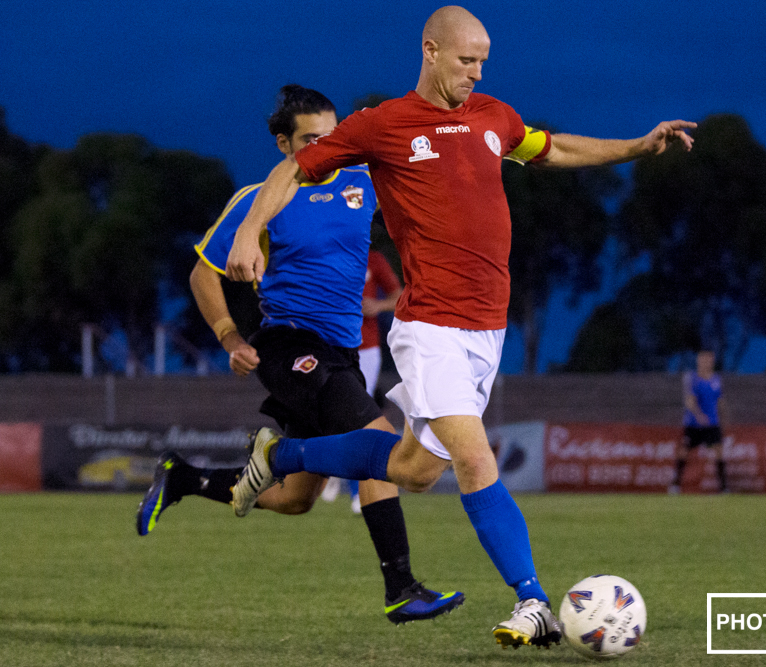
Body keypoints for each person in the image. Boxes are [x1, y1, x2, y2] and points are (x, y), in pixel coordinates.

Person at [225, 5, 695, 649]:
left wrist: (638, 146)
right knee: (477, 461)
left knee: (416, 469)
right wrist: (251, 229)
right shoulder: (382, 125)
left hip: (486, 332)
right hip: (431, 327)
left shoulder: (494, 117)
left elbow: (552, 148)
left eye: (483, 61)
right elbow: (290, 170)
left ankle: (283, 454)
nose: (477, 72)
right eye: (466, 60)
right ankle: (532, 601)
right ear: (431, 51)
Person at [134, 84, 463, 625]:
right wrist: (229, 337)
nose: (324, 146)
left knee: (294, 500)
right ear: (285, 144)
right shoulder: (258, 202)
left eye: (331, 136)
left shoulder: (363, 181)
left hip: (342, 353)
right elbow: (201, 274)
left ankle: (183, 477)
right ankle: (401, 588)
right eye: (310, 139)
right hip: (290, 348)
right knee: (376, 448)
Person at [322, 249, 402, 511]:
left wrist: (378, 305)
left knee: (357, 415)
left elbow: (399, 295)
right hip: (330, 345)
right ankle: (335, 470)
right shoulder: (326, 253)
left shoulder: (374, 259)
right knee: (332, 414)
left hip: (366, 349)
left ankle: (357, 491)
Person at [674, 350, 729, 493]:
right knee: (684, 451)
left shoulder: (716, 379)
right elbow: (690, 401)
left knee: (719, 451)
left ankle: (723, 488)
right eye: (703, 360)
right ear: (698, 361)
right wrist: (698, 415)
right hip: (693, 424)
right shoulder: (692, 378)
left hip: (712, 424)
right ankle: (675, 485)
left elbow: (720, 400)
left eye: (709, 360)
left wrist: (723, 417)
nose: (706, 362)